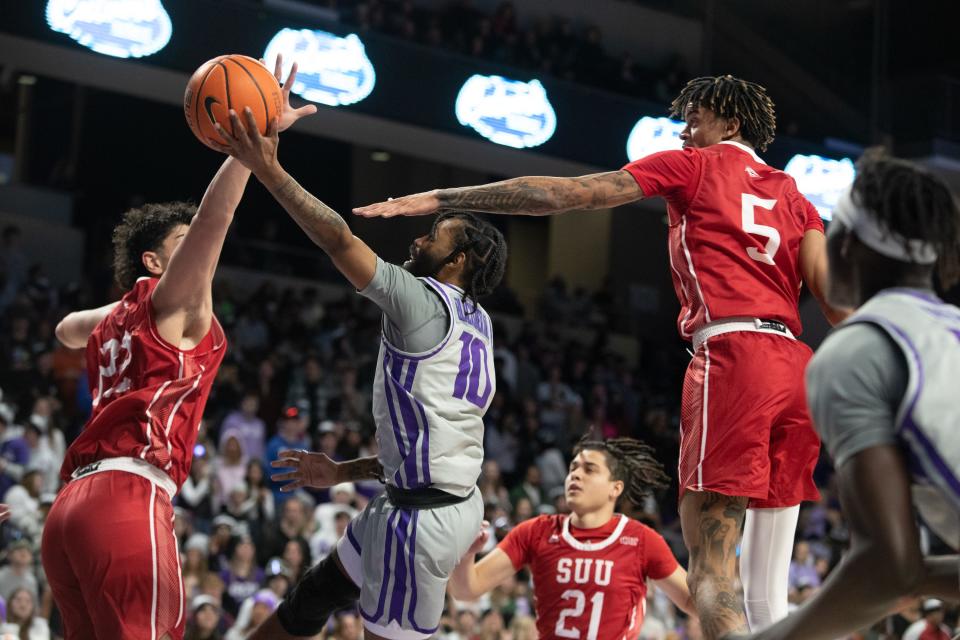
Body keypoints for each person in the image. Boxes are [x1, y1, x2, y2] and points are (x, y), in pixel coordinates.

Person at [354, 74, 847, 638]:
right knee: (768, 587)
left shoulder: (693, 165)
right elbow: (835, 302)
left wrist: (445, 198)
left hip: (735, 356)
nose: (685, 130)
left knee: (714, 573)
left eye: (696, 118)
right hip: (798, 367)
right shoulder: (797, 198)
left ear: (730, 124)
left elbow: (566, 195)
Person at [39, 57, 315, 640]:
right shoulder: (174, 307)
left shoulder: (124, 314)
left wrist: (120, 311)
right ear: (156, 262)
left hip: (69, 511)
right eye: (182, 244)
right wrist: (253, 142)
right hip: (126, 495)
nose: (199, 252)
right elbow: (218, 215)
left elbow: (66, 329)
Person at [210, 105, 507, 640]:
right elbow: (429, 442)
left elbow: (338, 240)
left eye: (435, 235)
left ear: (459, 259)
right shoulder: (480, 323)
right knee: (314, 596)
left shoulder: (420, 301)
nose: (420, 240)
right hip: (440, 500)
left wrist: (269, 169)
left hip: (419, 521)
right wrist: (343, 473)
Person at [723, 153, 960, 639]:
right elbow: (902, 570)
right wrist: (922, 573)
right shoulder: (950, 328)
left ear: (848, 243)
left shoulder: (858, 349)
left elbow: (887, 567)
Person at [449, 436, 696, 639]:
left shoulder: (641, 540)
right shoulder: (536, 532)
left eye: (589, 469)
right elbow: (466, 590)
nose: (575, 475)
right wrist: (468, 552)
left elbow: (691, 600)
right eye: (573, 468)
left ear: (615, 488)